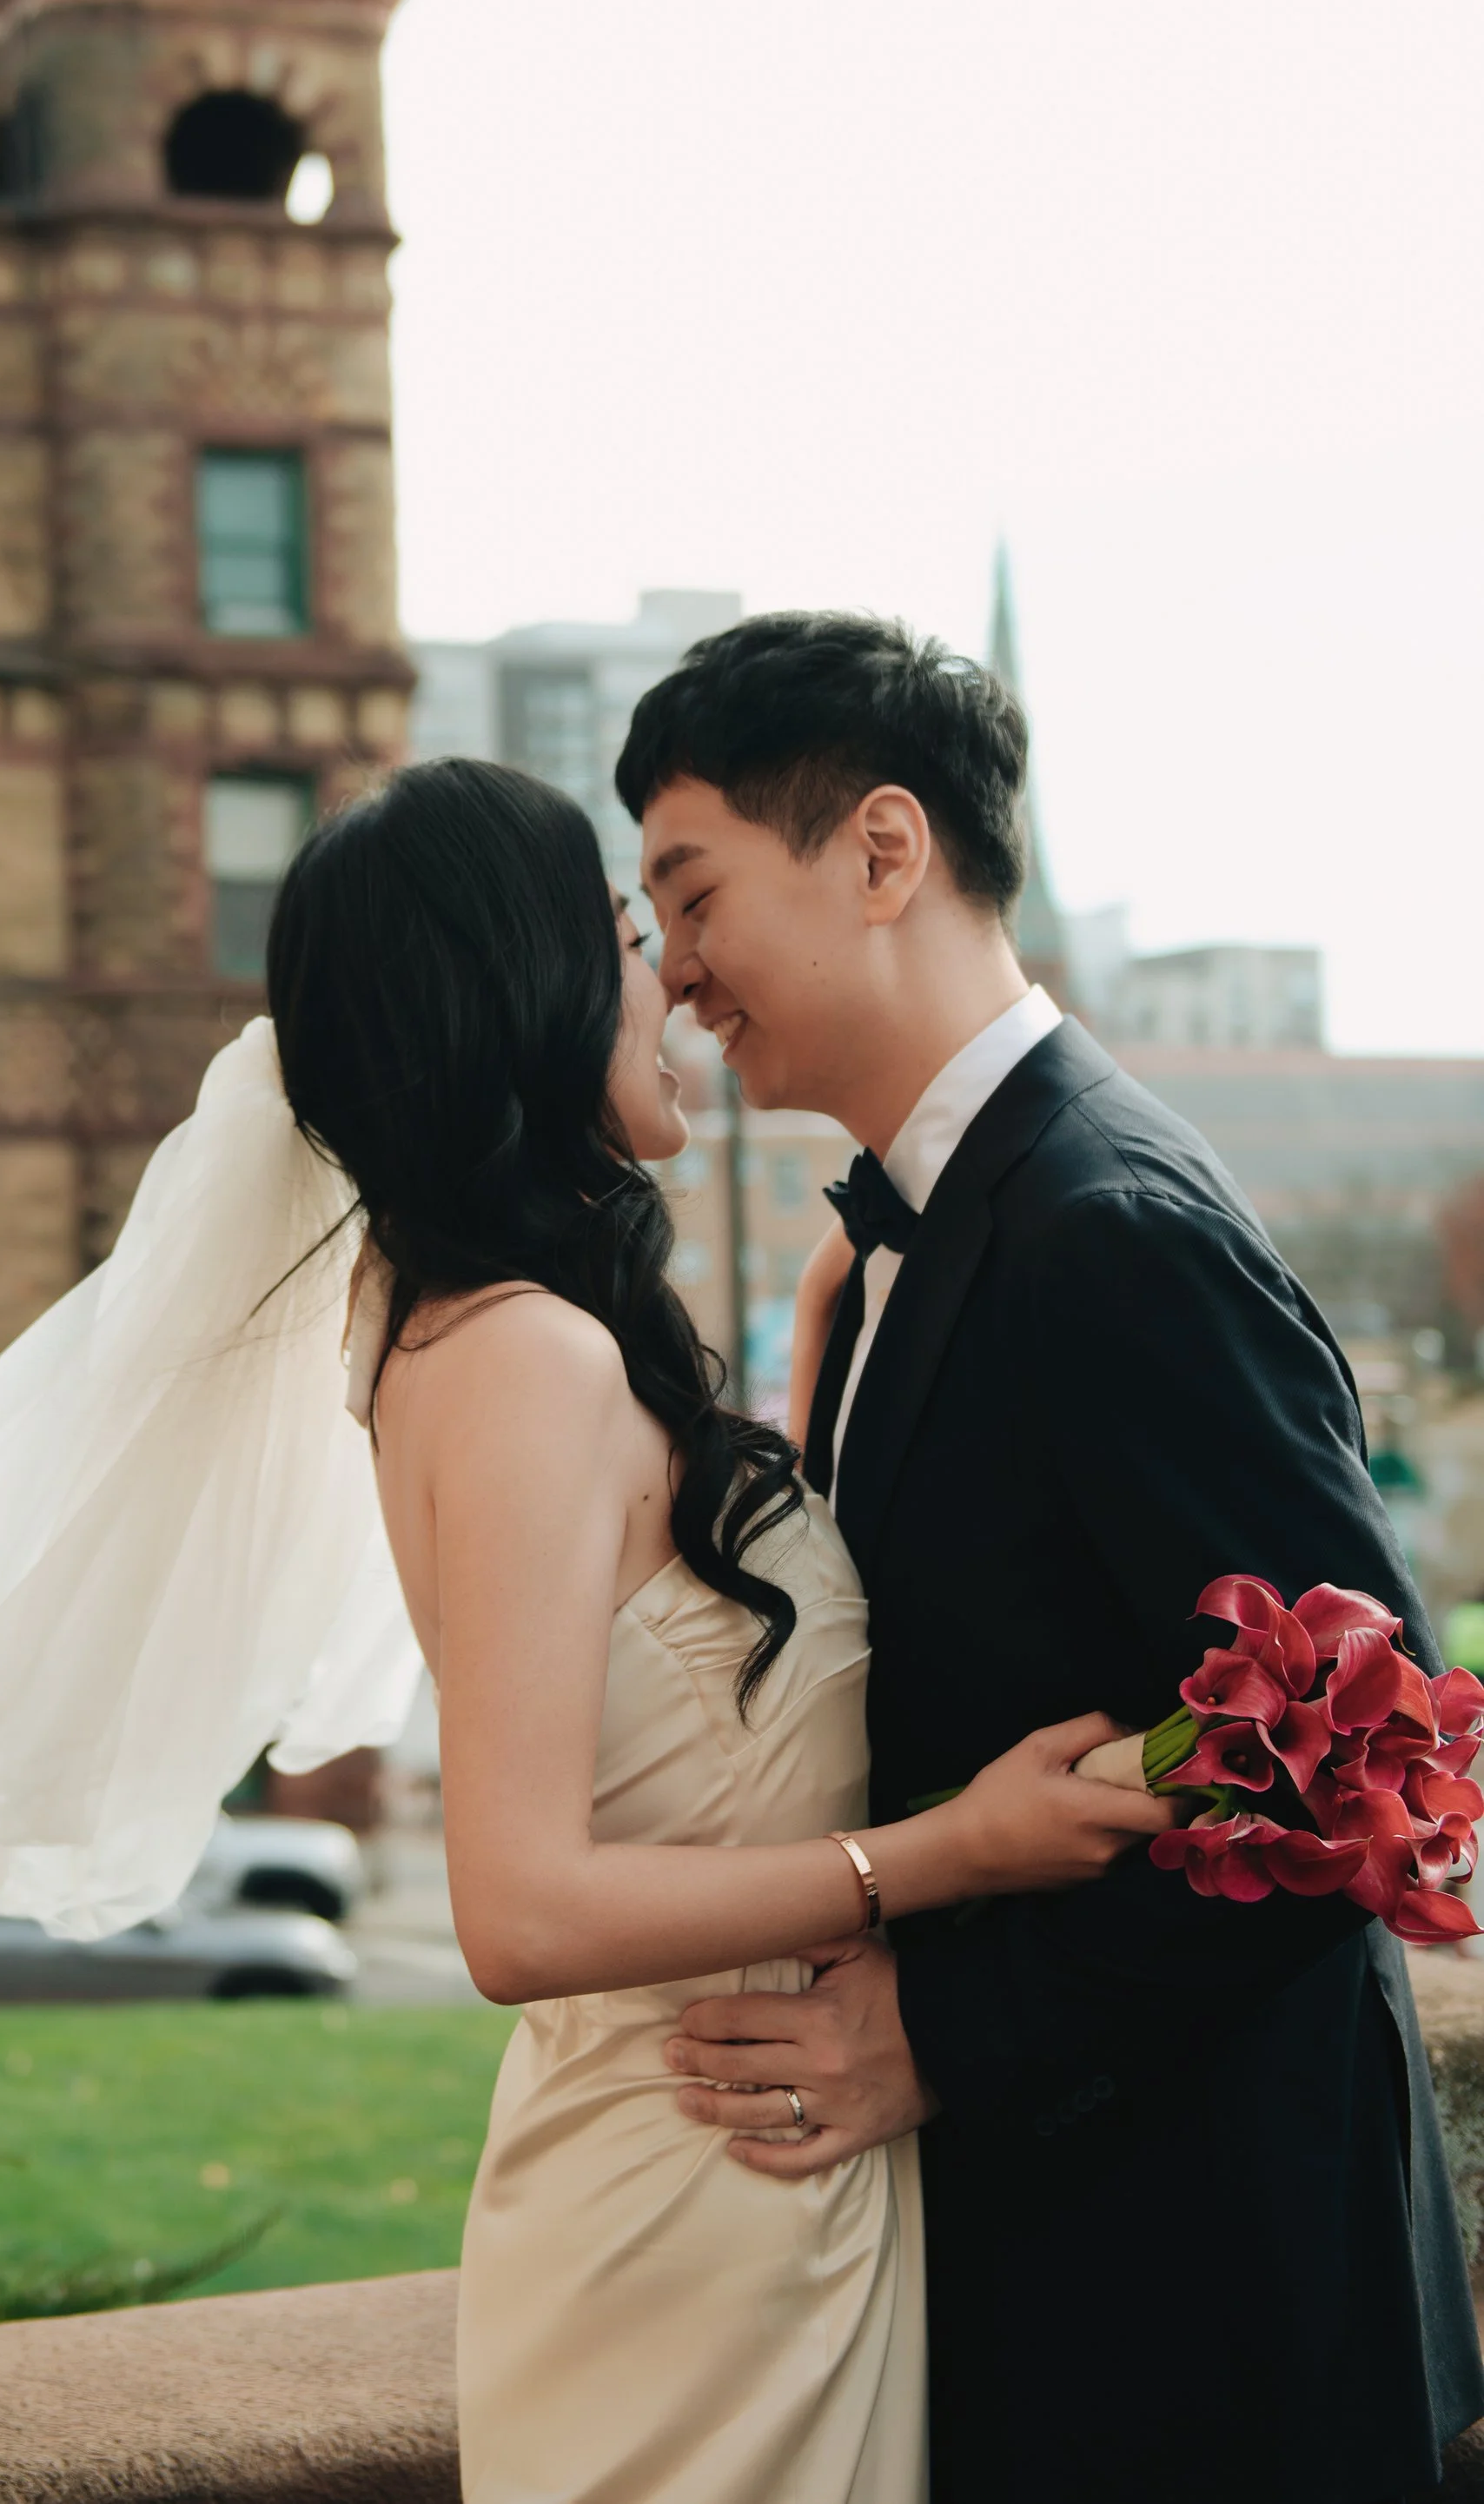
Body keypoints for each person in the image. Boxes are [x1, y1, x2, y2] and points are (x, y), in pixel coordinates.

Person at [614, 608, 1484, 2504]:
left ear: (878, 851)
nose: (673, 976)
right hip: (1072, 2252)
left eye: (689, 895)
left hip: (1208, 2296)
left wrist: (942, 2030)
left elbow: (1362, 1752)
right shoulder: (906, 1239)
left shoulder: (1104, 1223)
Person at [264, 757, 1162, 2504]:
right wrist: (948, 1851)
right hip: (694, 2181)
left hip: (746, 2177)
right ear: (517, 995)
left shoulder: (449, 1315)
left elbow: (653, 1647)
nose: (668, 975)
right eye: (626, 931)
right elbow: (519, 1911)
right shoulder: (524, 1356)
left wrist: (823, 1384)